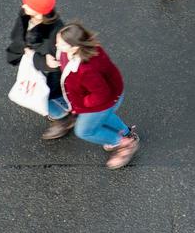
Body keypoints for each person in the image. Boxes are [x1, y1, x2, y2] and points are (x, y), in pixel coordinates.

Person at [55, 23, 140, 167]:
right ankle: (126, 133)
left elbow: (101, 94)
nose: (56, 45)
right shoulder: (82, 50)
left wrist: (81, 104)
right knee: (104, 118)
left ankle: (123, 143)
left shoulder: (85, 69)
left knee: (84, 131)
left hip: (102, 102)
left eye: (60, 43)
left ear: (74, 47)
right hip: (112, 95)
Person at [7, 0, 73, 139]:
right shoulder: (26, 13)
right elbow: (18, 35)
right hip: (35, 63)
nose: (23, 6)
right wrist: (23, 50)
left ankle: (63, 120)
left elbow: (53, 64)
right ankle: (64, 109)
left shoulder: (54, 33)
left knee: (45, 97)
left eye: (29, 5)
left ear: (40, 12)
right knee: (47, 95)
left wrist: (33, 56)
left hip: (49, 73)